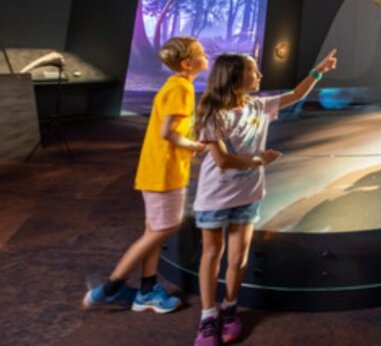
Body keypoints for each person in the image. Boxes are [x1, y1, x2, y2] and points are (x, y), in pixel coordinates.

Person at [192, 49, 338, 346]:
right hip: (215, 196)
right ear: (234, 77)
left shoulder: (259, 106)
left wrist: (319, 71)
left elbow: (296, 94)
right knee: (211, 255)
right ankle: (208, 317)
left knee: (237, 258)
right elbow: (223, 161)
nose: (260, 75)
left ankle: (230, 309)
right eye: (253, 70)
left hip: (248, 195)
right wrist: (262, 160)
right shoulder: (213, 113)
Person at [83, 36, 209, 313]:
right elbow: (168, 133)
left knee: (154, 230)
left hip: (156, 168)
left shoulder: (175, 84)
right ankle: (110, 288)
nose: (206, 55)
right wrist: (195, 146)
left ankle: (147, 291)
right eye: (201, 53)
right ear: (188, 63)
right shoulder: (182, 89)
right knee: (164, 228)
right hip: (165, 171)